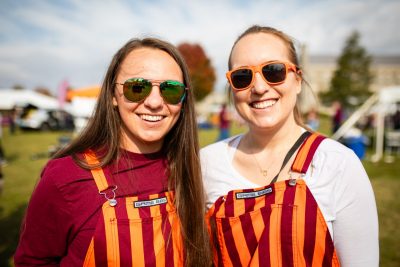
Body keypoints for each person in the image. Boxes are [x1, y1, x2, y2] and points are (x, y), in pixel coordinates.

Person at [14, 37, 211, 266]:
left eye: (171, 90)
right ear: (112, 95)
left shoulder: (192, 171)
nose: (155, 102)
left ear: (184, 100)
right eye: (138, 87)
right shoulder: (64, 178)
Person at [201, 25, 379, 266]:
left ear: (298, 80)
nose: (260, 88)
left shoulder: (338, 164)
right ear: (232, 88)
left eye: (274, 71)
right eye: (242, 76)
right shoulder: (206, 163)